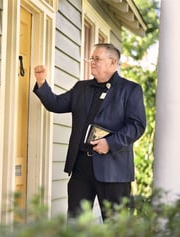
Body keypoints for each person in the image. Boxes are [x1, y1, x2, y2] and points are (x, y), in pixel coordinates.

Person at [33, 43, 146, 220]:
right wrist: (41, 82)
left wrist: (110, 143)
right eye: (91, 58)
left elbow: (137, 126)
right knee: (76, 222)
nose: (92, 62)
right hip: (81, 167)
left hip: (113, 169)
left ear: (112, 62)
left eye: (97, 59)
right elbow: (55, 104)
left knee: (116, 224)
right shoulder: (81, 88)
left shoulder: (130, 90)